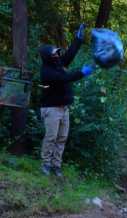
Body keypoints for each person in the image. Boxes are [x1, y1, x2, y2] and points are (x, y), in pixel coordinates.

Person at [39, 24, 95, 177]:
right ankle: (45, 164)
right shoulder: (47, 72)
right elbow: (66, 77)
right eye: (54, 53)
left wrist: (78, 40)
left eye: (57, 52)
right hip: (51, 109)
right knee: (51, 137)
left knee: (62, 138)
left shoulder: (57, 65)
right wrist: (82, 73)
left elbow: (69, 54)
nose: (57, 55)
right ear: (48, 57)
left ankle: (56, 166)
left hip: (64, 109)